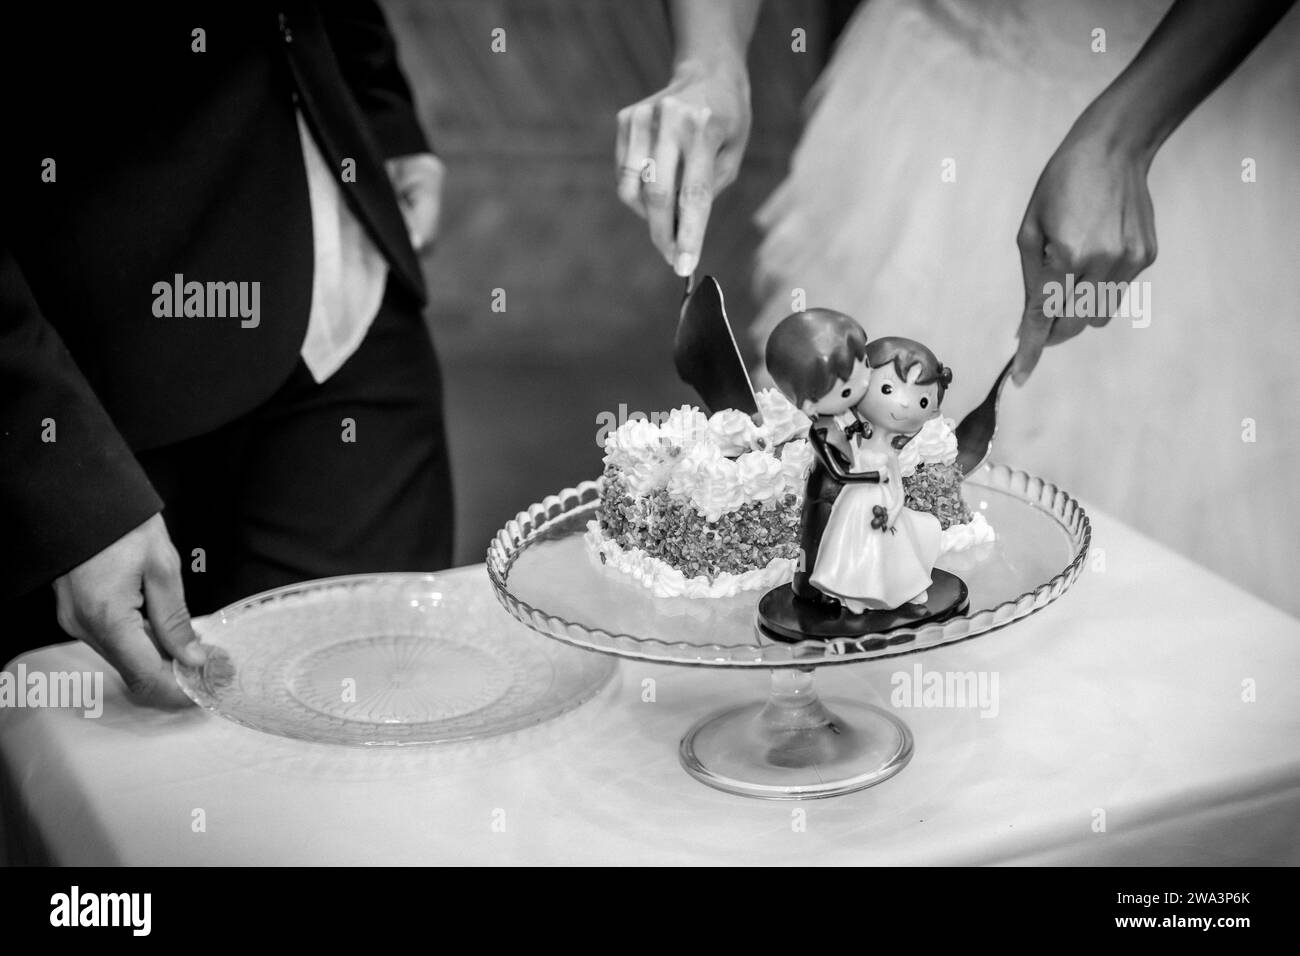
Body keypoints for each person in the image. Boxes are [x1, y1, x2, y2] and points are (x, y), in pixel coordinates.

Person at [617, 0, 1300, 615]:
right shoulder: (845, 437)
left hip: (1200, 108)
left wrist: (1125, 138)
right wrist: (710, 62)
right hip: (921, 98)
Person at [0, 4, 454, 705]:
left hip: (351, 293)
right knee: (154, 779)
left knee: (388, 727)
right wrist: (58, 473)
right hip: (103, 368)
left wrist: (378, 107)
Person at [810, 337, 949, 612]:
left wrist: (895, 509)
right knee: (851, 549)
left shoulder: (889, 450)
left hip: (882, 506)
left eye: (922, 401)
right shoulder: (850, 433)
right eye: (887, 388)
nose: (905, 405)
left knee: (891, 552)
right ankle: (852, 595)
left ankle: (902, 589)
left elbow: (897, 484)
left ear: (932, 412)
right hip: (854, 502)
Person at [764, 309, 883, 604]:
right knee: (817, 543)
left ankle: (844, 584)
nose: (864, 385)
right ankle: (807, 588)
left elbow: (855, 434)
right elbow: (838, 473)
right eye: (846, 390)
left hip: (845, 495)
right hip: (826, 495)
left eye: (865, 367)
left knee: (843, 544)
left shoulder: (845, 416)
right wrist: (872, 477)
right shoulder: (819, 432)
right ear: (806, 403)